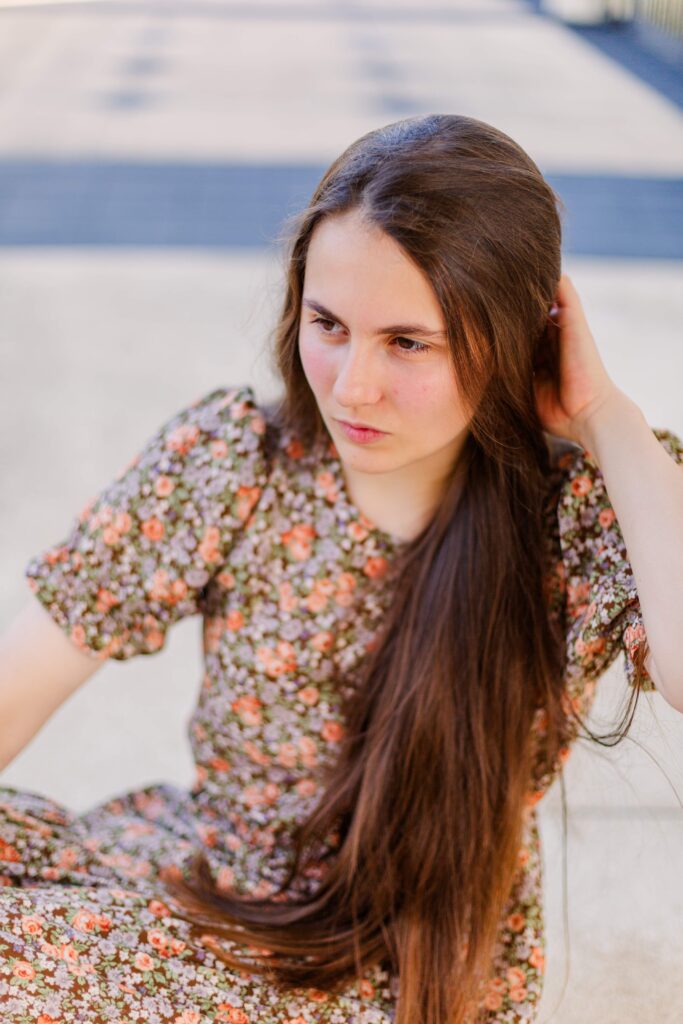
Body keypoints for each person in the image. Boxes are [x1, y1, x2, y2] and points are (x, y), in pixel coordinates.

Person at [0, 113, 681, 1024]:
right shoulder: (236, 461)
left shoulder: (583, 510)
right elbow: (19, 684)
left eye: (409, 342)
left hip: (397, 967)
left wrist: (605, 418)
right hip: (202, 883)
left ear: (517, 337)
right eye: (328, 323)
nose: (351, 385)